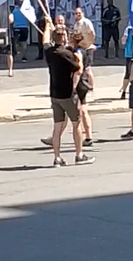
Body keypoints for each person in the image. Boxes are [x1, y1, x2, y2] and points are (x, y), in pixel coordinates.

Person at [45, 27, 91, 165]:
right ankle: (79, 154)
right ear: (64, 38)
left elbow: (45, 41)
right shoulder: (67, 54)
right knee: (76, 124)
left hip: (54, 94)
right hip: (68, 94)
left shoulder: (49, 52)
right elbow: (78, 69)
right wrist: (79, 61)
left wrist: (48, 25)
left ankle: (57, 157)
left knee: (57, 127)